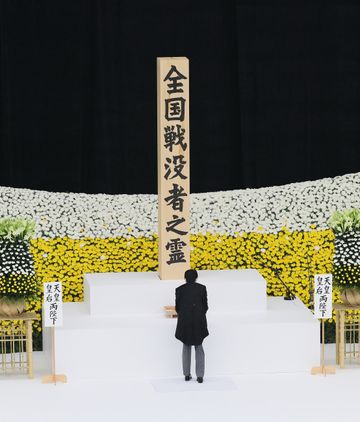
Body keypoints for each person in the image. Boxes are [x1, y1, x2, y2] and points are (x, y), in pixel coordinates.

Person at [175, 269, 209, 383]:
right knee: (199, 346)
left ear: (185, 278)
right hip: (198, 320)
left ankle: (186, 374)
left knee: (186, 346)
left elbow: (177, 308)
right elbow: (205, 306)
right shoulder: (202, 288)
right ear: (196, 277)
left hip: (185, 321)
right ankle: (200, 376)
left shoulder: (179, 289)